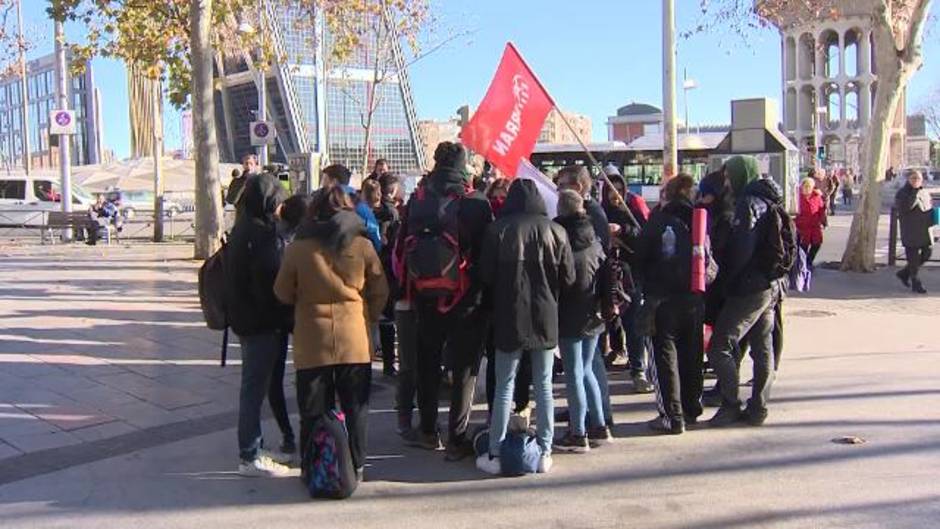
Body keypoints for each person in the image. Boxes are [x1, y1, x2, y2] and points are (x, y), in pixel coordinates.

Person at [274, 186, 388, 482]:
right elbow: (380, 288)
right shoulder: (362, 245)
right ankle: (357, 466)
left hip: (312, 340)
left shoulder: (298, 248)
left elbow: (282, 293)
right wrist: (368, 316)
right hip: (353, 338)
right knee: (356, 407)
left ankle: (314, 465)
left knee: (313, 408)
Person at [400, 142, 494, 460]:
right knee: (465, 368)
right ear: (463, 165)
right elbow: (486, 253)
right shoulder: (475, 202)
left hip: (425, 296)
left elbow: (401, 247)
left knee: (427, 361)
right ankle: (456, 438)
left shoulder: (418, 199)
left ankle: (428, 430)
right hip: (466, 297)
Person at [477, 179, 574, 475]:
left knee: (505, 385)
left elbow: (485, 275)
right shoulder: (557, 231)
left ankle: (495, 451)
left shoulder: (498, 229)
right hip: (546, 316)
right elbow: (568, 278)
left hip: (508, 315)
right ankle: (544, 450)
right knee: (544, 386)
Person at [706, 155, 785, 428]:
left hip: (749, 287)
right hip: (769, 285)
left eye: (728, 175)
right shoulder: (769, 199)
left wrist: (725, 280)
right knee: (762, 348)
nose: (725, 181)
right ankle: (759, 407)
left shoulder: (747, 204)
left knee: (720, 346)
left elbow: (741, 250)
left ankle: (730, 404)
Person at [224, 172, 292, 477]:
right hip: (261, 322)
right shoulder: (262, 235)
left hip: (247, 319)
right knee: (253, 387)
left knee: (255, 384)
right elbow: (272, 281)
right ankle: (249, 455)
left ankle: (254, 446)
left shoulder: (242, 228)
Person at [635, 174, 706, 434]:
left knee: (665, 358)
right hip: (694, 298)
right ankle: (690, 409)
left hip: (662, 300)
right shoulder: (699, 222)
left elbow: (640, 258)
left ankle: (672, 416)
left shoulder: (658, 221)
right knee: (692, 355)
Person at [553, 190, 608, 453]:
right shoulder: (594, 238)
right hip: (593, 313)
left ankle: (578, 432)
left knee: (574, 373)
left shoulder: (559, 238)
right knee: (586, 370)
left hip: (569, 313)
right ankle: (599, 424)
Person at [263, 194, 311, 457]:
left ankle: (288, 435)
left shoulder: (273, 238)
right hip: (301, 313)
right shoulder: (308, 240)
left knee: (276, 378)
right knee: (309, 374)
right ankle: (306, 428)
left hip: (277, 314)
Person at [601, 164, 652, 393]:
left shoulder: (633, 208)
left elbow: (644, 236)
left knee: (633, 324)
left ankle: (638, 368)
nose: (615, 194)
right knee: (606, 321)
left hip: (630, 274)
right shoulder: (599, 211)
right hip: (606, 273)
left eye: (619, 189)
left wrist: (623, 230)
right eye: (611, 190)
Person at [365, 177, 401, 376]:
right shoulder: (392, 213)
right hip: (386, 269)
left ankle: (367, 358)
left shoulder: (362, 212)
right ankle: (388, 364)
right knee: (387, 320)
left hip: (367, 268)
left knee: (370, 320)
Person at [319, 164, 382, 251]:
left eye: (324, 179)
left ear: (334, 181)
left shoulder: (320, 200)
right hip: (356, 255)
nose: (322, 184)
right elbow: (375, 238)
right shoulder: (362, 206)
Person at [895, 170, 933, 295]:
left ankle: (904, 273)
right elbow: (906, 207)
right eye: (913, 178)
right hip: (910, 230)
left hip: (924, 229)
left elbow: (928, 207)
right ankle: (916, 283)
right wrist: (915, 193)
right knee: (913, 258)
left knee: (927, 252)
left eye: (918, 178)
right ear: (908, 179)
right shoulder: (903, 193)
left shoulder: (924, 192)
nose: (916, 180)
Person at [795, 177, 827, 269]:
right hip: (802, 226)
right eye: (805, 186)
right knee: (803, 247)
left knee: (817, 244)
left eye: (809, 187)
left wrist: (823, 222)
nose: (807, 188)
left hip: (815, 226)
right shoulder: (798, 197)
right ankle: (803, 265)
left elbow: (821, 210)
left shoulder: (816, 196)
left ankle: (809, 261)